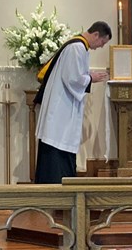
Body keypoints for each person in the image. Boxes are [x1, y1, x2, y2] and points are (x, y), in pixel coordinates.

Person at [34, 21, 112, 183]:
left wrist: (88, 74)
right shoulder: (77, 47)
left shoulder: (78, 46)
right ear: (96, 35)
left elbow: (73, 73)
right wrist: (91, 78)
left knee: (60, 144)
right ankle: (55, 185)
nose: (100, 46)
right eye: (102, 42)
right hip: (61, 108)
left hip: (63, 105)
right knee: (58, 144)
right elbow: (72, 78)